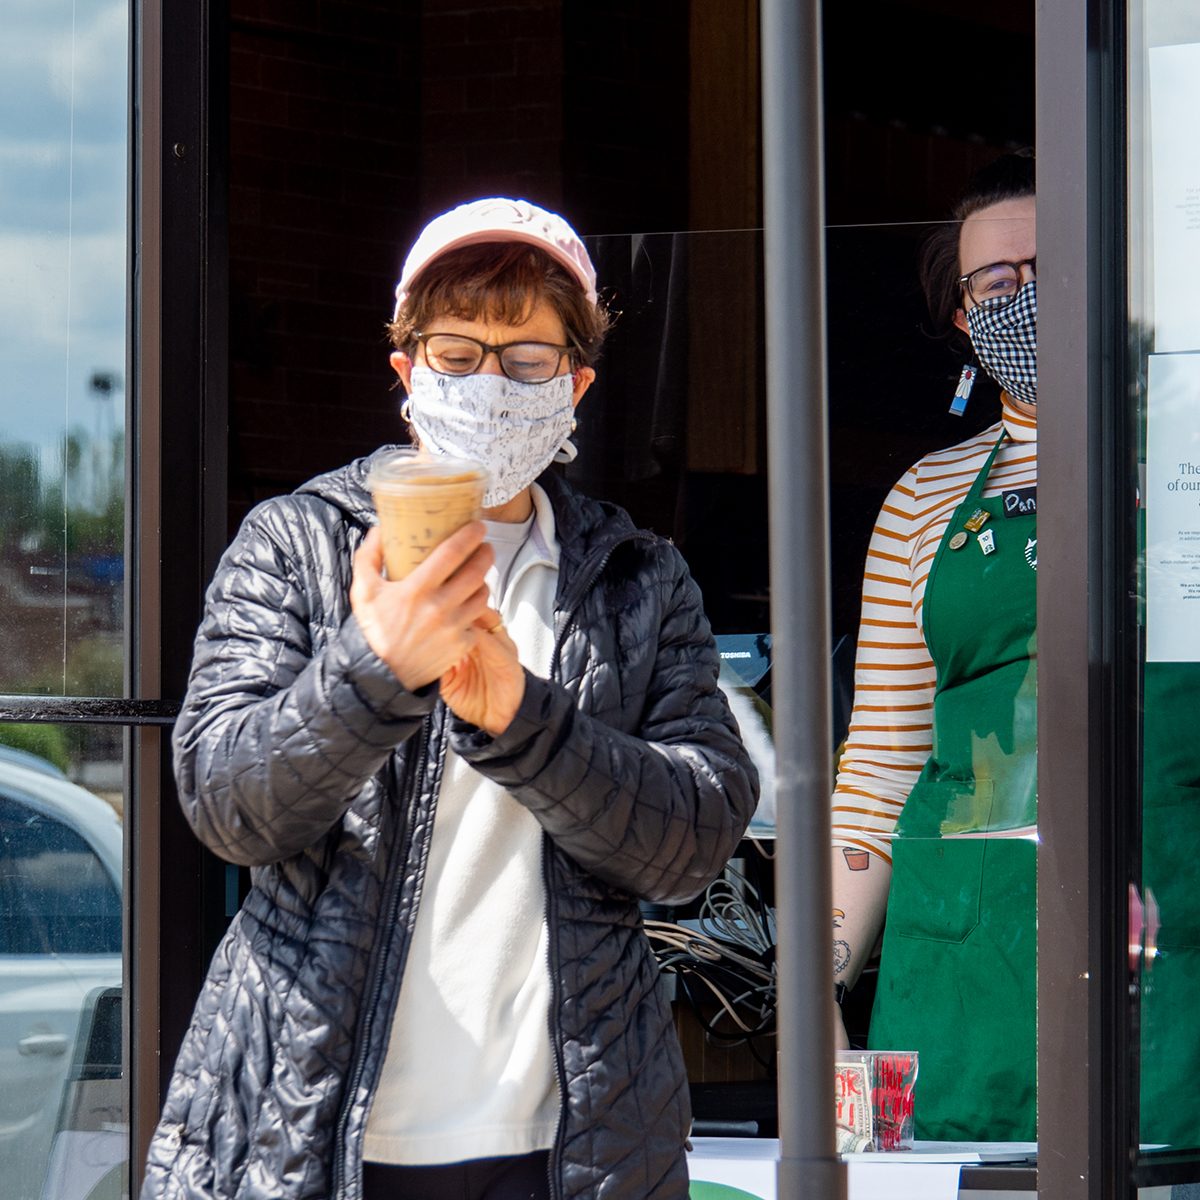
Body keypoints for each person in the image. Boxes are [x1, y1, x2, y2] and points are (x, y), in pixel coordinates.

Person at [141, 197, 758, 1200]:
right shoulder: (294, 547)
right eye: (457, 353)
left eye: (526, 361)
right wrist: (375, 669)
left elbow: (692, 839)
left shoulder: (638, 580)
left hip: (570, 1143)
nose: (489, 384)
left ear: (577, 387)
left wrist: (522, 715)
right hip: (309, 1129)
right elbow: (225, 801)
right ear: (406, 372)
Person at [829, 152, 1039, 1142]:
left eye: (1052, 268)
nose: (1023, 297)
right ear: (963, 318)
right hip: (954, 963)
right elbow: (877, 768)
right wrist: (815, 992)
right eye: (994, 284)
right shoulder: (922, 499)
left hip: (1168, 955)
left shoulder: (1181, 461)